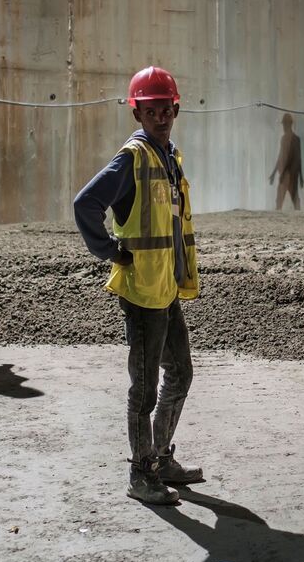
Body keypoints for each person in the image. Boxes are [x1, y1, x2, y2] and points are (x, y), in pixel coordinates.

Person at [73, 66, 205, 506]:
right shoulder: (132, 158)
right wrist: (110, 250)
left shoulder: (169, 158)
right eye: (151, 111)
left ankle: (160, 455)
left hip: (164, 288)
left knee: (181, 372)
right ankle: (139, 472)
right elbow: (85, 204)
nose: (160, 116)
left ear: (176, 109)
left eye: (166, 109)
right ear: (138, 114)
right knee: (144, 388)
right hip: (141, 292)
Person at [268, 113, 303, 210]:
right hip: (288, 174)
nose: (283, 126)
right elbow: (281, 156)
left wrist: (282, 174)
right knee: (285, 199)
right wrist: (273, 173)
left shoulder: (295, 139)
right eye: (283, 124)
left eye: (284, 124)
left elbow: (293, 158)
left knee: (292, 199)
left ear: (289, 124)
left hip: (289, 174)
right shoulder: (285, 139)